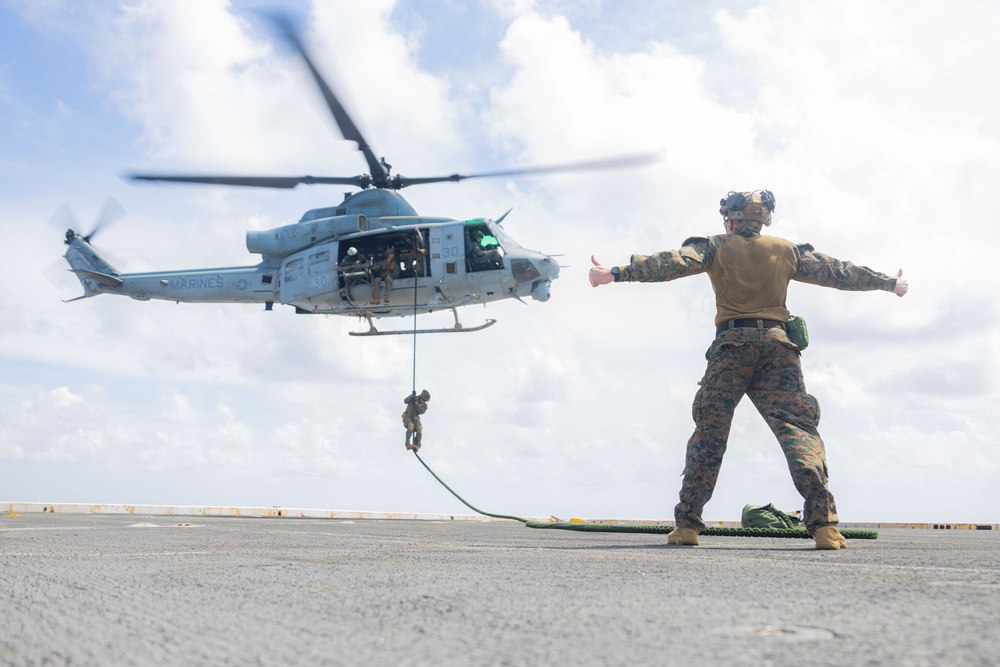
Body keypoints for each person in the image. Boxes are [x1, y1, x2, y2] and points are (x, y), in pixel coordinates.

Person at [589, 190, 909, 551]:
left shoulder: (714, 246)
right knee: (798, 433)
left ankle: (688, 526)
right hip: (778, 349)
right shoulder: (788, 250)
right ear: (764, 219)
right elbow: (838, 272)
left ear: (731, 218)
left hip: (731, 347)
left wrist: (615, 273)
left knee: (709, 437)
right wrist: (888, 283)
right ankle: (825, 528)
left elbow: (671, 263)